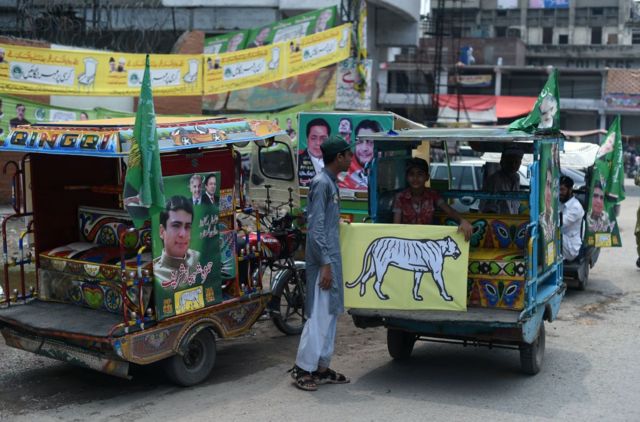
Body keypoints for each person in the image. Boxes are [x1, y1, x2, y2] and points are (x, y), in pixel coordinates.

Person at [290, 136, 353, 392]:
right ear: (339, 157)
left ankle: (321, 368)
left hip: (331, 260)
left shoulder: (330, 183)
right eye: (348, 155)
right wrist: (326, 264)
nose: (351, 159)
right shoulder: (320, 183)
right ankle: (303, 369)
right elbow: (315, 229)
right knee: (318, 317)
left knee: (329, 316)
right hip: (323, 264)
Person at [392, 158, 472, 241]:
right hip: (407, 240)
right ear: (407, 177)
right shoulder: (400, 197)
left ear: (427, 177)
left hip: (428, 240)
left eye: (420, 174)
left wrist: (462, 221)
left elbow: (449, 211)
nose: (415, 178)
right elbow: (396, 226)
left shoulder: (432, 195)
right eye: (411, 174)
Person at [153, 196, 201, 287]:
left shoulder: (200, 259)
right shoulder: (156, 275)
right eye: (176, 226)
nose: (182, 234)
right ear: (162, 231)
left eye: (187, 227)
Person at [479, 145, 524, 214]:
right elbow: (490, 208)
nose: (513, 165)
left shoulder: (516, 177)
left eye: (516, 162)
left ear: (520, 163)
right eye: (510, 162)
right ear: (502, 162)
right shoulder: (495, 180)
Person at [338, 119, 380, 190]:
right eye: (360, 142)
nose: (364, 148)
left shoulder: (387, 170)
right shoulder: (342, 170)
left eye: (370, 142)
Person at [298, 118, 330, 187]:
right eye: (313, 138)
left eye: (323, 139)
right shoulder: (297, 161)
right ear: (307, 140)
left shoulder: (335, 161)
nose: (318, 143)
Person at [559, 175, 584, 261]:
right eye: (558, 189)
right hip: (562, 242)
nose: (559, 192)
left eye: (562, 190)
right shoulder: (559, 203)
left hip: (571, 248)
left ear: (570, 190)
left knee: (550, 235)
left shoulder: (575, 207)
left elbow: (559, 223)